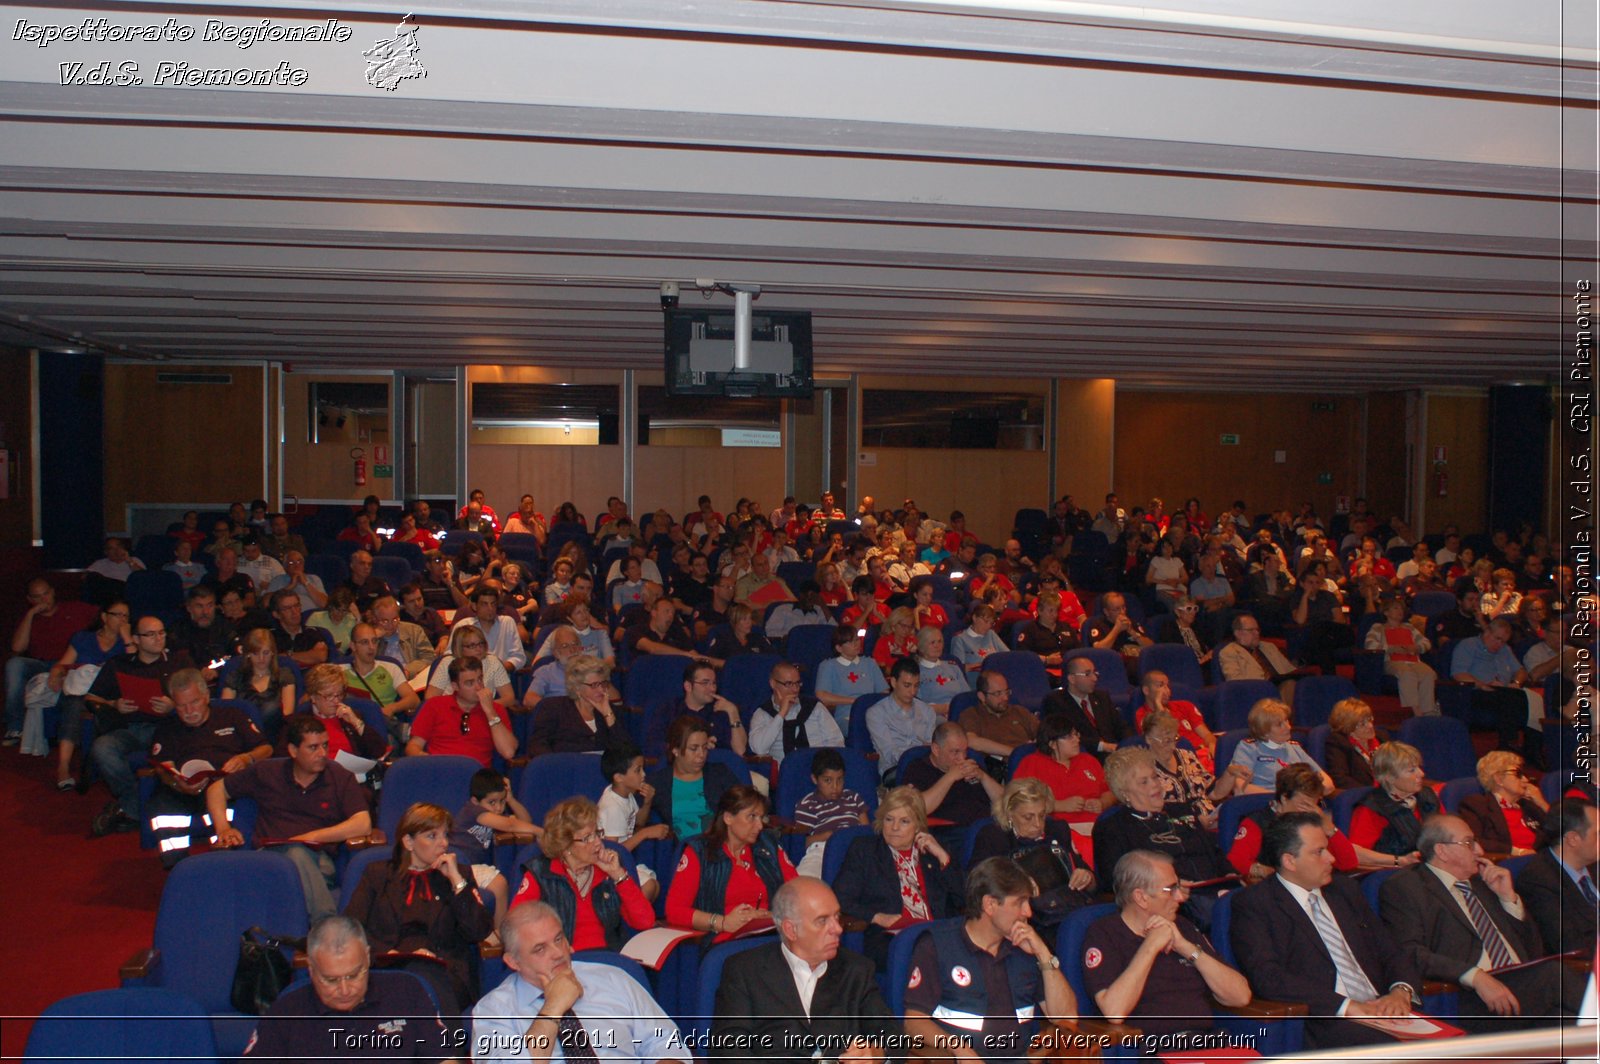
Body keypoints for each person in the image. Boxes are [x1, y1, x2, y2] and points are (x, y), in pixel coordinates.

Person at [1229, 813, 1423, 1048]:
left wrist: (1400, 991)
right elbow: (1268, 978)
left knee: (1458, 1046)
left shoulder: (1344, 889)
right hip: (1324, 1018)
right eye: (1318, 852)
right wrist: (1346, 1007)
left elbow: (1390, 950)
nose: (1331, 858)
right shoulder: (1257, 904)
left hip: (1382, 1009)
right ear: (1290, 861)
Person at [1378, 814, 1584, 1030]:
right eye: (1469, 843)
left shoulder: (1483, 883)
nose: (1479, 851)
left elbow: (1533, 949)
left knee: (1569, 1022)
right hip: (1468, 995)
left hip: (1522, 987)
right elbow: (1410, 952)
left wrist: (1508, 899)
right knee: (1554, 975)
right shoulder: (1406, 887)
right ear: (1442, 851)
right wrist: (1474, 976)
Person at [902, 856, 1076, 1063]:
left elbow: (1066, 1019)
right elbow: (913, 1022)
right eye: (1019, 903)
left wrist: (1043, 954)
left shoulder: (1025, 946)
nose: (1028, 912)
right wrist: (960, 1050)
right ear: (990, 905)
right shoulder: (938, 946)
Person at [713, 876, 900, 1063]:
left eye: (837, 917)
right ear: (791, 930)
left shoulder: (856, 969)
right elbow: (728, 1050)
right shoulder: (745, 971)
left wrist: (877, 1054)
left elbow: (894, 1038)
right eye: (822, 921)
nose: (837, 929)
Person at [471, 900, 684, 1063]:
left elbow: (665, 1041)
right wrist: (553, 1007)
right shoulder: (493, 1010)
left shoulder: (614, 978)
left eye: (558, 939)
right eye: (540, 949)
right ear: (513, 961)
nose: (558, 953)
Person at [209, 716, 373, 919]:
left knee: (297, 854)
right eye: (313, 748)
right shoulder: (267, 772)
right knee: (294, 857)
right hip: (268, 857)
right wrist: (223, 828)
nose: (322, 753)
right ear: (293, 751)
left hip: (318, 859)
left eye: (325, 745)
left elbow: (363, 824)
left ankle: (320, 926)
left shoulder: (338, 776)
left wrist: (311, 837)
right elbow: (217, 789)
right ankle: (328, 926)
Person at [1082, 850, 1251, 1044]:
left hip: (1205, 1044)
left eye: (1178, 887)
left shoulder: (1183, 926)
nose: (1180, 897)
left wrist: (1185, 947)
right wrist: (1151, 946)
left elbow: (1241, 996)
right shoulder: (1104, 933)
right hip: (1152, 1049)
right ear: (1141, 897)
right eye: (1170, 889)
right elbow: (1115, 1012)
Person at [344, 802, 493, 1014]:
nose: (443, 844)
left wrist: (457, 882)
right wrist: (389, 953)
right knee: (405, 984)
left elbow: (478, 931)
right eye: (432, 836)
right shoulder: (377, 875)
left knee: (418, 982)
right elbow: (351, 928)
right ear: (408, 841)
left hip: (445, 972)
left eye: (445, 835)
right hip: (389, 966)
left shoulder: (458, 874)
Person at [242, 915, 450, 1061]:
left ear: (367, 958)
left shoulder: (407, 991)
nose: (345, 989)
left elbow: (443, 1058)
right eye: (331, 980)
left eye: (353, 975)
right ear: (311, 970)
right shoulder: (286, 1013)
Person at [145, 668, 272, 867]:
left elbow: (266, 748)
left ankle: (226, 859)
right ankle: (177, 866)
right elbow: (163, 767)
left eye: (194, 702)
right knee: (161, 806)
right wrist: (177, 783)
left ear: (206, 697)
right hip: (183, 790)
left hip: (226, 787)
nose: (189, 711)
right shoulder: (167, 727)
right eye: (181, 706)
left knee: (239, 805)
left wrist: (246, 758)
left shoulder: (232, 715)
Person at [1092, 748, 1232, 922]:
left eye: (1155, 777)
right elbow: (1117, 882)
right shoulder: (1113, 828)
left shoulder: (1182, 809)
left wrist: (1229, 874)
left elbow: (1214, 852)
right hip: (1171, 906)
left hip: (1215, 891)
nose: (1154, 784)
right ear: (1125, 793)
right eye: (1144, 782)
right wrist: (1170, 888)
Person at [831, 786, 963, 971]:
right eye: (889, 819)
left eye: (904, 821)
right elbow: (840, 898)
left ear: (918, 824)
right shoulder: (865, 850)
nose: (894, 828)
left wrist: (943, 858)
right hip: (892, 938)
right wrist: (877, 917)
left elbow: (964, 897)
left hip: (938, 932)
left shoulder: (935, 850)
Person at [86, 614, 189, 837]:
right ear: (136, 639)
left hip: (167, 729)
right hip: (129, 728)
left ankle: (128, 809)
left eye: (161, 633)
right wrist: (114, 704)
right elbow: (91, 698)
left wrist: (173, 706)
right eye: (150, 634)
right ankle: (136, 803)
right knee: (102, 748)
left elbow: (201, 701)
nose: (158, 638)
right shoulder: (119, 664)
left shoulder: (179, 664)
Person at [510, 795, 657, 951]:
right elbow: (516, 926)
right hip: (562, 962)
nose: (598, 843)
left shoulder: (608, 872)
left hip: (608, 960)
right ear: (565, 846)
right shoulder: (542, 874)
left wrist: (619, 875)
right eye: (587, 838)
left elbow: (645, 921)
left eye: (597, 833)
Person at [665, 785, 797, 943]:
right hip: (725, 940)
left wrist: (771, 916)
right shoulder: (700, 852)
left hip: (772, 935)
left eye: (761, 818)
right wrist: (722, 922)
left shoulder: (769, 845)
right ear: (728, 818)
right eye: (752, 817)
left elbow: (797, 893)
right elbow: (674, 911)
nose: (760, 825)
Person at [1225, 763, 1397, 880]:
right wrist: (1269, 872)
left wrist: (1328, 827)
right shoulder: (1257, 823)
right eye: (1303, 804)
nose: (1308, 810)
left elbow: (1349, 863)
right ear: (1284, 798)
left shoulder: (1315, 821)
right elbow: (1236, 861)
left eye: (1314, 804)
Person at [969, 777, 1097, 925]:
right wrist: (1017, 885)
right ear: (1009, 813)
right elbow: (978, 886)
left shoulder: (1057, 830)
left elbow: (1092, 882)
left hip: (1064, 908)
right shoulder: (994, 837)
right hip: (1022, 916)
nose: (1037, 824)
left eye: (1042, 815)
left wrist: (1086, 877)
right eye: (1028, 817)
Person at [43, 598, 133, 789]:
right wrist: (56, 672)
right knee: (74, 704)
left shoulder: (128, 643)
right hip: (80, 691)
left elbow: (134, 665)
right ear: (104, 617)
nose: (122, 620)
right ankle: (64, 767)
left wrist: (127, 639)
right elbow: (64, 663)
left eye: (126, 616)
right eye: (118, 615)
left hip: (110, 695)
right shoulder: (83, 638)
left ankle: (95, 764)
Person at [5, 578, 98, 746]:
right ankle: (15, 726)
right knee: (14, 664)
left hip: (70, 664)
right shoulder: (30, 619)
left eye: (46, 594)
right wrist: (30, 614)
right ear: (30, 599)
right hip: (41, 664)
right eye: (37, 597)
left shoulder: (75, 608)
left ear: (53, 591)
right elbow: (17, 648)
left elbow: (106, 616)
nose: (43, 600)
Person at [448, 768, 538, 926]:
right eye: (492, 802)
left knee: (500, 884)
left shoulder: (494, 814)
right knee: (500, 884)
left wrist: (511, 799)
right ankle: (498, 933)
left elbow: (526, 821)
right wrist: (542, 832)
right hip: (457, 864)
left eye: (501, 802)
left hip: (470, 867)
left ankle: (498, 932)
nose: (498, 808)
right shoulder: (473, 810)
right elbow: (510, 825)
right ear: (476, 801)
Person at [1514, 798, 1600, 956]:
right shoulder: (1539, 881)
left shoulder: (1594, 865)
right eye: (1598, 834)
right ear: (1573, 839)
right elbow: (1569, 945)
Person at [1450, 618, 1538, 760]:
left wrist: (1516, 682)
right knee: (1511, 698)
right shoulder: (1469, 645)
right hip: (1476, 692)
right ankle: (1508, 743)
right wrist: (1482, 684)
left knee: (1531, 699)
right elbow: (1459, 674)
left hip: (1503, 690)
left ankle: (1532, 748)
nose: (1499, 644)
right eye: (1497, 639)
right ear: (1487, 632)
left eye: (1504, 641)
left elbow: (1521, 671)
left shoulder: (1505, 650)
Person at [407, 657, 518, 768]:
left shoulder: (496, 710)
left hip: (477, 778)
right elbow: (413, 746)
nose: (478, 687)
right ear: (455, 686)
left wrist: (490, 713)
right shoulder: (435, 705)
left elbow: (508, 752)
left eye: (480, 679)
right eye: (470, 683)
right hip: (439, 771)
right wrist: (428, 761)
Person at [1143, 711, 1243, 830]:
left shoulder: (1187, 756)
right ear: (1149, 739)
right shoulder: (1143, 768)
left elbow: (1215, 792)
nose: (1173, 746)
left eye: (1175, 738)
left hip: (1211, 819)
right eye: (1166, 741)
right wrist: (1196, 820)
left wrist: (1230, 773)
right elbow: (1151, 809)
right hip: (1177, 827)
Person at [595, 743, 670, 901]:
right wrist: (645, 834)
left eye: (643, 769)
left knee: (654, 886)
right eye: (637, 770)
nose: (643, 774)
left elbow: (638, 822)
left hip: (624, 860)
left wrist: (647, 802)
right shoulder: (612, 807)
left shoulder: (626, 793)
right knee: (648, 886)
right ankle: (629, 921)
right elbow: (612, 851)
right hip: (608, 866)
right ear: (619, 777)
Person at [649, 715, 741, 840]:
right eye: (694, 749)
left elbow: (744, 804)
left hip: (720, 844)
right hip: (682, 851)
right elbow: (636, 822)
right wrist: (646, 802)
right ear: (675, 750)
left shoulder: (719, 773)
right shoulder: (659, 781)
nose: (701, 755)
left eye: (704, 748)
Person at [1013, 714, 1111, 828]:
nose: (1077, 739)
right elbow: (1017, 800)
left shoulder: (1088, 760)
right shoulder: (1032, 763)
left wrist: (1102, 803)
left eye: (1076, 734)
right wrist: (1057, 806)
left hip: (1098, 825)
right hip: (1055, 827)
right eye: (1070, 736)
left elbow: (1110, 791)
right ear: (1053, 744)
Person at [1348, 741, 1439, 859]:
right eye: (1412, 770)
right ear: (1389, 777)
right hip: (1394, 873)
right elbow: (1357, 855)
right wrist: (1398, 861)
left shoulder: (1427, 795)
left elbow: (1444, 832)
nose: (1421, 773)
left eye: (1419, 767)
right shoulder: (1371, 808)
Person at [904, 721, 1002, 831]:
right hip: (950, 833)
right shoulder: (918, 768)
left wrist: (984, 777)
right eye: (955, 752)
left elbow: (1006, 802)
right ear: (936, 749)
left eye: (965, 751)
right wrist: (950, 777)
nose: (962, 758)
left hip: (986, 827)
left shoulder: (972, 765)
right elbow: (918, 808)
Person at [792, 748, 870, 878]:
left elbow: (866, 831)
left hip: (855, 848)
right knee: (803, 881)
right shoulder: (807, 804)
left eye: (839, 780)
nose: (835, 786)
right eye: (827, 780)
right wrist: (829, 836)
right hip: (821, 850)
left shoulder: (853, 798)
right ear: (815, 779)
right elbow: (802, 843)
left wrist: (845, 838)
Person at [1457, 750, 1548, 859]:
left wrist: (1542, 803)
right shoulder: (1477, 804)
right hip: (1507, 862)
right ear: (1499, 779)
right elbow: (1474, 840)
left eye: (1524, 774)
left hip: (1539, 861)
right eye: (1518, 774)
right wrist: (1517, 852)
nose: (1525, 779)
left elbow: (1561, 831)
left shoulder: (1527, 805)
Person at [1229, 699, 1332, 794]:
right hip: (1264, 806)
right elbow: (1240, 787)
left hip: (1298, 805)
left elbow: (1327, 784)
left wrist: (1305, 796)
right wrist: (1282, 798)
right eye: (1279, 725)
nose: (1288, 727)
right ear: (1264, 731)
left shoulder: (1294, 747)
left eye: (1286, 721)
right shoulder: (1249, 748)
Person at [525, 653, 619, 757]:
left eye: (604, 684)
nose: (601, 690)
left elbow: (627, 752)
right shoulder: (553, 708)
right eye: (594, 685)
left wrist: (608, 715)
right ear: (577, 687)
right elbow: (537, 747)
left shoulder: (611, 711)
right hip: (566, 770)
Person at [749, 660, 844, 763]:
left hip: (819, 767)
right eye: (789, 684)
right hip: (785, 772)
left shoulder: (814, 707)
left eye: (797, 683)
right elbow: (758, 749)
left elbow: (836, 741)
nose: (795, 689)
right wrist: (781, 714)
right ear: (773, 684)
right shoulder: (762, 713)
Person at [1364, 595, 1438, 716]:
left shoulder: (1409, 627)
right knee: (1407, 673)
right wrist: (1390, 649)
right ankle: (1416, 710)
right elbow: (1369, 645)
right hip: (1391, 661)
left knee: (1428, 673)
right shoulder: (1378, 627)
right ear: (1386, 612)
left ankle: (1428, 710)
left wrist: (1416, 647)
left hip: (1412, 659)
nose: (1400, 611)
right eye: (1396, 608)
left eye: (1401, 609)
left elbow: (1426, 643)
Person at [1040, 658, 1128, 758]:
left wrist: (1128, 744)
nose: (1094, 678)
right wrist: (1102, 746)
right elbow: (1063, 736)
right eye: (1087, 674)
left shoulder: (1102, 697)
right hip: (1083, 756)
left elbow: (1121, 727)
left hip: (1115, 754)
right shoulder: (1056, 702)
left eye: (1095, 673)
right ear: (1072, 679)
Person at [865, 657, 938, 776]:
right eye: (907, 685)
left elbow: (932, 746)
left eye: (916, 685)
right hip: (896, 769)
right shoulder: (876, 713)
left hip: (926, 765)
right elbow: (889, 754)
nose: (913, 691)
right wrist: (917, 754)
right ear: (893, 682)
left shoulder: (927, 710)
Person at [1134, 670, 1217, 771]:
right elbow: (1165, 740)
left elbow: (1206, 734)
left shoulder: (1185, 705)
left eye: (1167, 686)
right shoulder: (1142, 714)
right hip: (1180, 759)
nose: (1167, 690)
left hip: (1204, 753)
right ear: (1146, 690)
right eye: (1160, 686)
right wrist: (1158, 705)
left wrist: (1212, 744)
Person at [814, 625, 887, 732]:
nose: (856, 644)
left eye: (857, 640)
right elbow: (822, 695)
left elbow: (883, 692)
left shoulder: (870, 663)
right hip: (846, 715)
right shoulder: (829, 666)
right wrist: (854, 701)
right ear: (839, 648)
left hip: (874, 712)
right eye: (850, 642)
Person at [344, 622, 421, 723]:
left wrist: (392, 708)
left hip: (382, 724)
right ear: (353, 646)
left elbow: (414, 699)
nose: (371, 647)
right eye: (365, 642)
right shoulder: (339, 671)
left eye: (374, 641)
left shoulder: (391, 668)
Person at [957, 669, 1038, 765]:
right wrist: (1016, 753)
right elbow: (971, 741)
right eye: (998, 693)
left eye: (1006, 692)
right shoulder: (972, 715)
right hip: (1005, 767)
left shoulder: (1019, 711)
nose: (1005, 698)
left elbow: (1044, 733)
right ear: (982, 696)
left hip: (1032, 762)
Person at [427, 625, 515, 706]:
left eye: (481, 644)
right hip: (451, 711)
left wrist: (484, 707)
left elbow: (509, 698)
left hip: (483, 714)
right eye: (472, 645)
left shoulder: (493, 662)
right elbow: (430, 698)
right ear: (460, 648)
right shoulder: (447, 663)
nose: (479, 649)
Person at [451, 586, 527, 671]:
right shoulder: (462, 625)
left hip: (501, 675)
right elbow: (450, 656)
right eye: (484, 604)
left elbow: (518, 657)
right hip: (469, 676)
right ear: (474, 606)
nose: (490, 608)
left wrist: (499, 670)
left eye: (493, 604)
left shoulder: (507, 622)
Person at [1322, 697, 1387, 789]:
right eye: (1362, 724)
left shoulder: (1381, 738)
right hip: (1363, 795)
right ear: (1348, 727)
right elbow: (1340, 779)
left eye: (1369, 719)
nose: (1370, 726)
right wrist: (1371, 793)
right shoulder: (1338, 742)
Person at [370, 594, 438, 679]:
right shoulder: (369, 636)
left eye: (395, 619)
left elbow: (429, 656)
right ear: (375, 620)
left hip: (411, 678)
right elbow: (361, 663)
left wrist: (408, 671)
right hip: (382, 680)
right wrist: (372, 639)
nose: (391, 625)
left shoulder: (414, 630)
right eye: (385, 621)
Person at [913, 626, 968, 716]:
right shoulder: (915, 672)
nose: (937, 646)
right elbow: (916, 704)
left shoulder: (953, 666)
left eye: (940, 641)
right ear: (921, 647)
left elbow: (966, 695)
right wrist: (942, 709)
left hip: (960, 712)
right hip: (934, 716)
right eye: (932, 642)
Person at [950, 604, 1007, 674]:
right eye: (986, 621)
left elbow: (1006, 655)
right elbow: (959, 668)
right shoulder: (960, 639)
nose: (988, 626)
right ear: (974, 618)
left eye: (991, 623)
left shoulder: (990, 634)